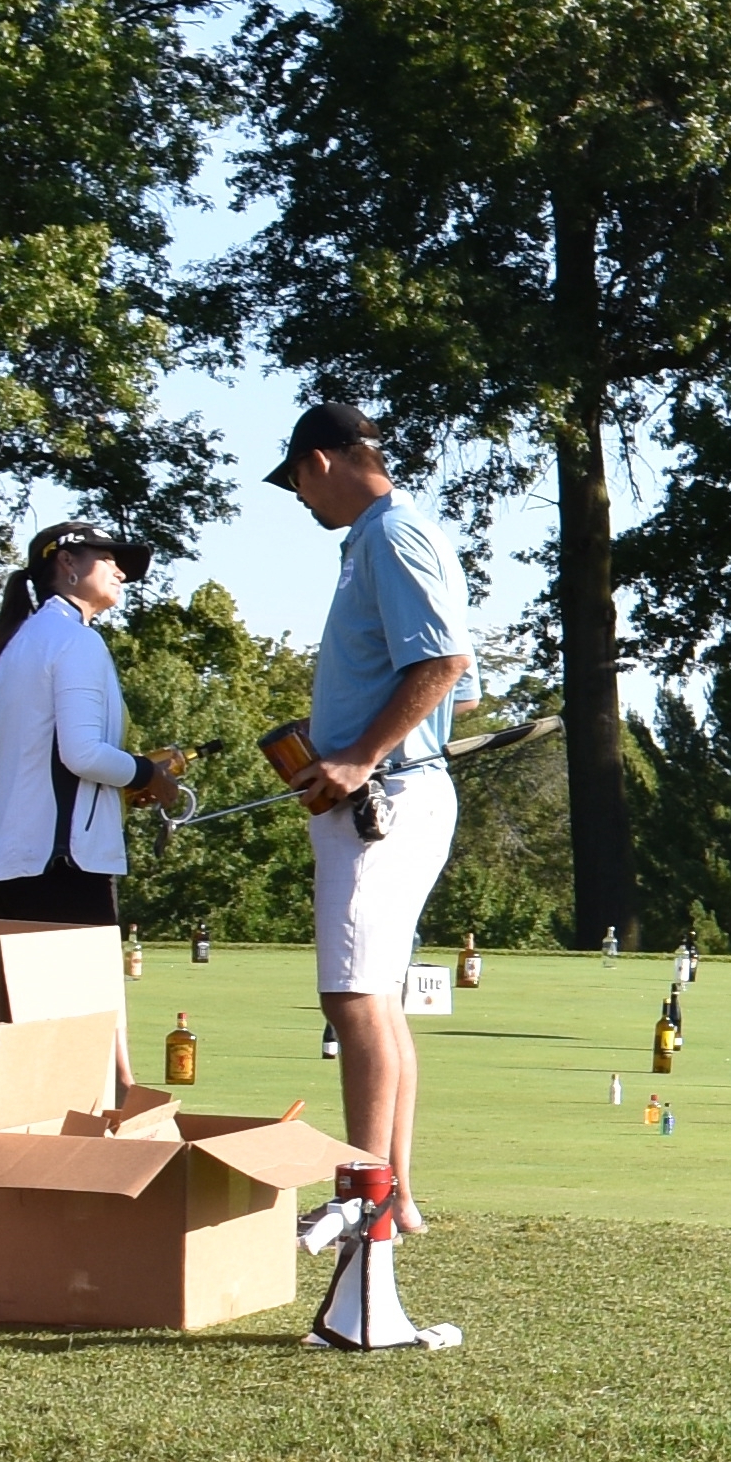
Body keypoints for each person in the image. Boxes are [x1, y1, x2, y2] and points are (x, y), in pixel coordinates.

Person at [265, 403, 479, 1233]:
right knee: (377, 999)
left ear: (319, 462)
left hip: (382, 799)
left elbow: (445, 663)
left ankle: (365, 1195)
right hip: (389, 791)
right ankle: (393, 1194)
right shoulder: (386, 537)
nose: (299, 500)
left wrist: (358, 753)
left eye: (295, 483)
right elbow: (460, 688)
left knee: (352, 997)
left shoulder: (391, 534)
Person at [0, 520, 179, 1095]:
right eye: (108, 557)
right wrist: (149, 775)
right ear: (66, 563)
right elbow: (82, 753)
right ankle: (105, 1130)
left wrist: (127, 780)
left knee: (31, 1045)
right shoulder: (75, 640)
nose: (121, 571)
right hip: (64, 864)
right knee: (82, 1046)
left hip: (18, 861)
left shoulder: (23, 641)